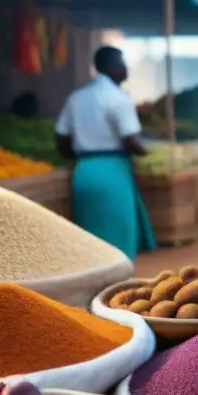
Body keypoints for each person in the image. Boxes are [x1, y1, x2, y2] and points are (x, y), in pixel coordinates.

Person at [55, 46, 156, 259]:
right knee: (118, 239)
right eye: (122, 64)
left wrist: (81, 156)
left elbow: (62, 138)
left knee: (89, 239)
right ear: (111, 66)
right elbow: (131, 140)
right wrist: (149, 152)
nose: (125, 69)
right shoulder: (118, 98)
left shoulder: (76, 97)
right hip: (113, 171)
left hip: (84, 171)